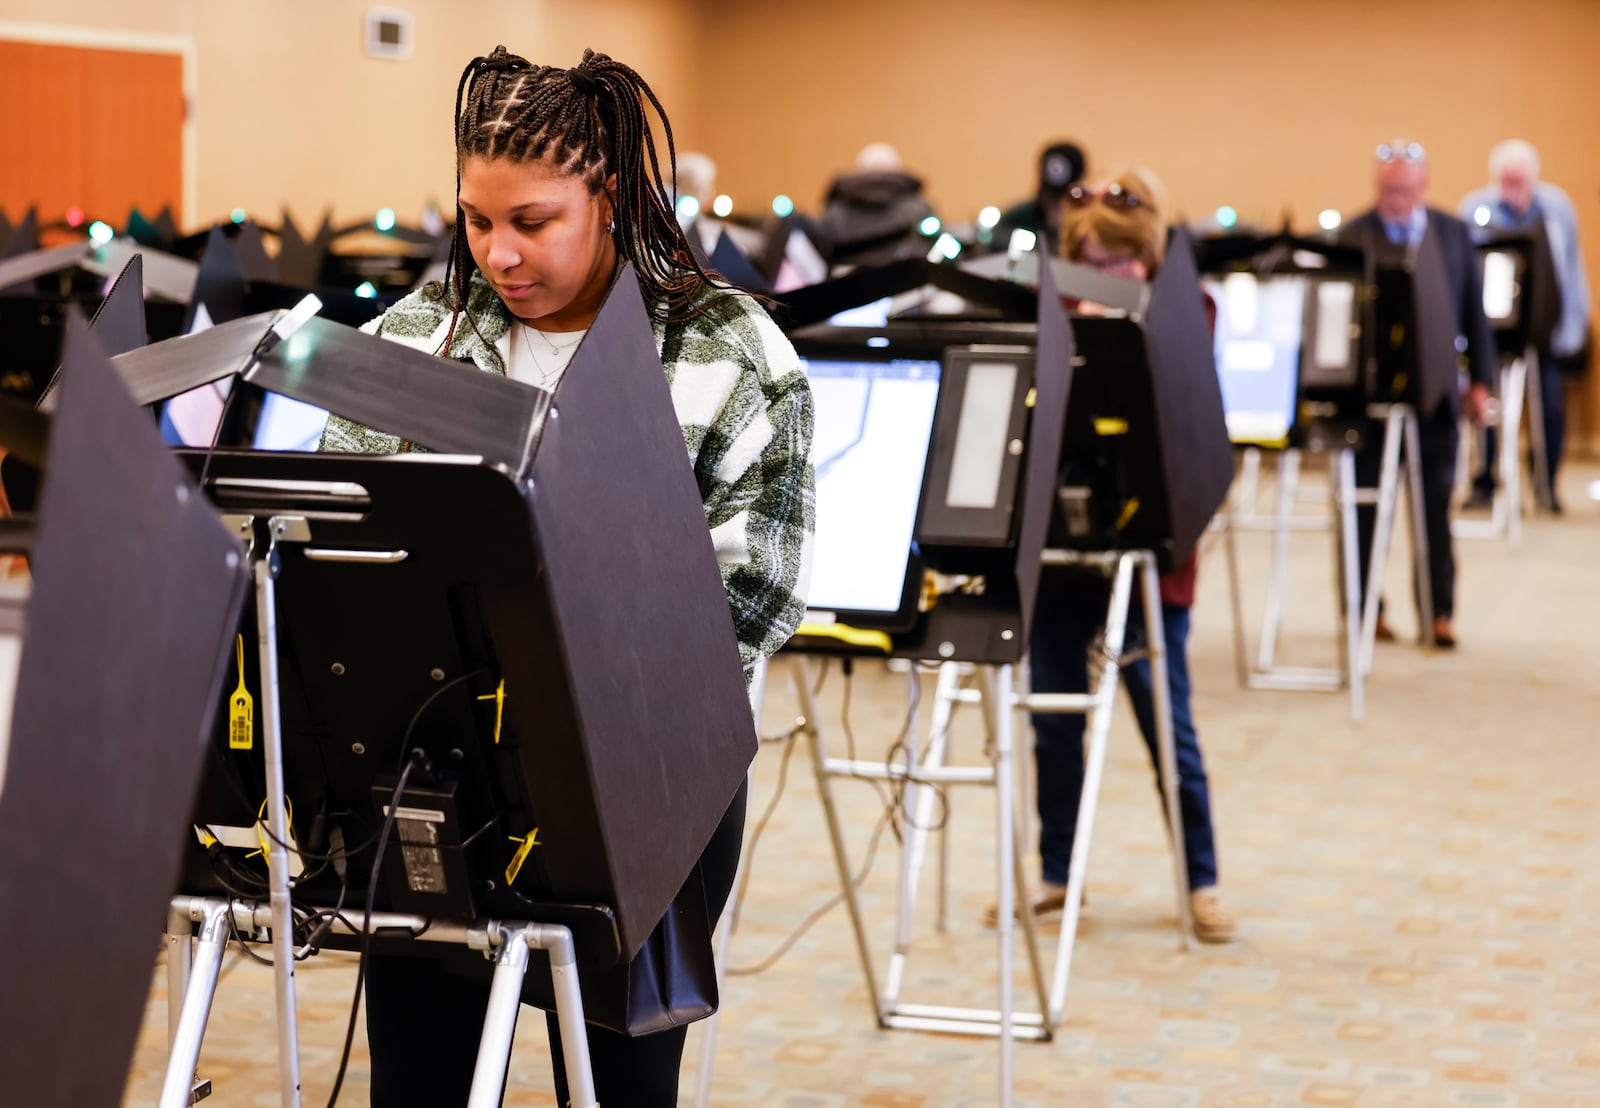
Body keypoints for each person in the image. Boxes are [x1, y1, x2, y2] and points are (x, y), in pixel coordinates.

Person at [319, 45, 815, 1107]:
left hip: (646, 791)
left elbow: (754, 599)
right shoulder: (412, 343)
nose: (497, 252)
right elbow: (338, 563)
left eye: (532, 220)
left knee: (623, 1082)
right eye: (474, 218)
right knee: (420, 1078)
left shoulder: (732, 353)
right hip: (436, 776)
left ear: (615, 196)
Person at [999, 167, 1235, 944]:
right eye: (1091, 263)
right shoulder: (1053, 314)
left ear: (1151, 256)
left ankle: (1202, 881)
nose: (1107, 277)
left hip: (1150, 554)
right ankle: (1057, 876)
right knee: (1054, 720)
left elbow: (1194, 434)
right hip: (1066, 550)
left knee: (1169, 726)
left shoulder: (1185, 313)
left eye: (1121, 263)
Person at [1346, 140, 1494, 649]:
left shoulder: (1451, 234)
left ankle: (1439, 612)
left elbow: (1475, 314)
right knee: (1366, 511)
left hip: (1436, 399)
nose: (1396, 199)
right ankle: (1364, 610)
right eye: (1388, 190)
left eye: (1405, 189)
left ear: (1423, 187)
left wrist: (1480, 382)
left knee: (1433, 509)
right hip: (1369, 403)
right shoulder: (1353, 235)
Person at [1459, 139, 1591, 512]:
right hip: (1493, 334)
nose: (1512, 187)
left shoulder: (1556, 207)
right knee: (1488, 406)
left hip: (1544, 329)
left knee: (1550, 408)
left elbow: (1571, 267)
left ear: (1533, 177)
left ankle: (1545, 485)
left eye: (1519, 180)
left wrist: (1575, 324)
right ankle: (1485, 481)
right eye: (1506, 179)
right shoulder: (1476, 208)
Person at [815, 141, 936, 266]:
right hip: (907, 279)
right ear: (896, 169)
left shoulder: (835, 212)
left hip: (848, 282)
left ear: (861, 170)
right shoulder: (918, 208)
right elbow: (932, 248)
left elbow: (822, 250)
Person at [995, 140, 1087, 256]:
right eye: (1051, 199)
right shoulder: (1016, 218)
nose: (1056, 210)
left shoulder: (1088, 227)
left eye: (1064, 201)